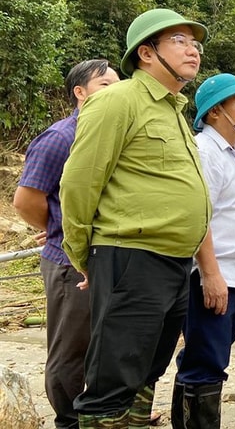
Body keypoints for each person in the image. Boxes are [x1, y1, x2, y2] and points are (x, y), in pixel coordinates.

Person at [60, 8, 211, 429]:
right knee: (112, 382)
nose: (192, 50)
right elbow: (79, 184)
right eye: (178, 41)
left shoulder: (173, 110)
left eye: (194, 42)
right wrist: (83, 254)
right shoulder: (117, 100)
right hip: (131, 257)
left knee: (147, 375)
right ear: (146, 53)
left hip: (173, 262)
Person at [14, 59, 119, 429]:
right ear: (80, 92)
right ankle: (69, 421)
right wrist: (58, 228)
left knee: (104, 346)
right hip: (69, 262)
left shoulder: (114, 134)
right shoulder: (61, 137)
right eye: (106, 84)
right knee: (70, 350)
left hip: (111, 258)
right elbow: (26, 200)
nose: (115, 91)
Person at [170, 74, 235, 429]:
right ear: (213, 113)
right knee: (206, 362)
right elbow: (198, 217)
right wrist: (211, 275)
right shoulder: (206, 152)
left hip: (233, 274)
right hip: (214, 274)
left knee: (203, 356)